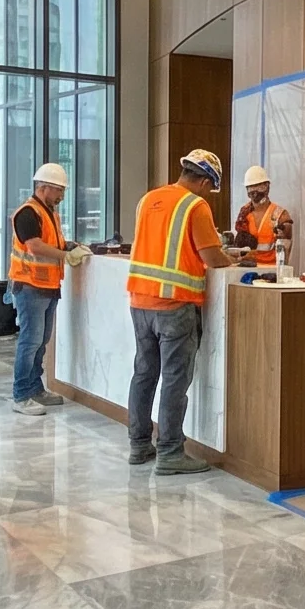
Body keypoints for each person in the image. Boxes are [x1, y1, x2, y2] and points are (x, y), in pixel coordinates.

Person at [127, 149, 235, 474]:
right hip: (175, 305)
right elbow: (212, 257)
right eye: (210, 188)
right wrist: (233, 262)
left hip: (140, 302)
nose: (208, 194)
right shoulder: (194, 206)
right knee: (174, 380)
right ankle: (171, 452)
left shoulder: (148, 199)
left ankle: (139, 445)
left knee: (144, 374)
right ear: (204, 181)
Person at [8, 162, 87, 417]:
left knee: (40, 342)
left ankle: (35, 388)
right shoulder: (27, 213)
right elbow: (35, 246)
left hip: (48, 286)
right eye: (59, 190)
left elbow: (53, 242)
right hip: (30, 286)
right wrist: (66, 256)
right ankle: (21, 395)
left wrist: (70, 246)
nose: (61, 196)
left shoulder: (49, 213)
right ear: (44, 187)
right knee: (30, 342)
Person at [232, 165, 293, 269]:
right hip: (247, 270)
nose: (254, 191)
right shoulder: (244, 214)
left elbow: (285, 254)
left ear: (267, 186)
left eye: (259, 186)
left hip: (271, 271)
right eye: (251, 187)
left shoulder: (280, 215)